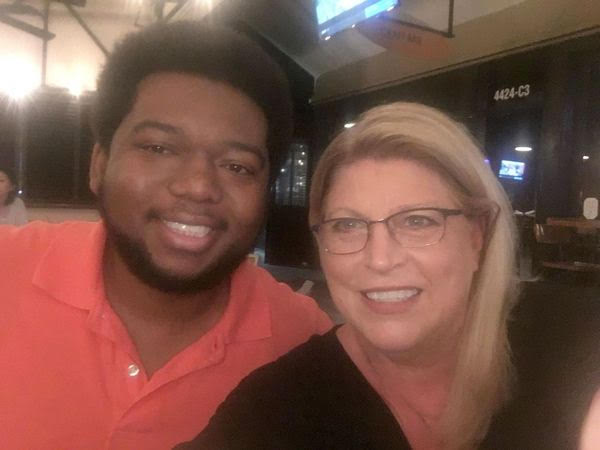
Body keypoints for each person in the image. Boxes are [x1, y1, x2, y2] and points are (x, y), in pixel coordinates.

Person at [0, 21, 331, 449]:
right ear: (99, 165)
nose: (198, 186)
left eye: (237, 166)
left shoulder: (304, 341)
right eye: (158, 148)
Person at [179, 102, 519, 450]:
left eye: (417, 221)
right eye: (348, 225)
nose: (380, 259)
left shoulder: (552, 358)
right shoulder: (273, 410)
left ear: (477, 236)